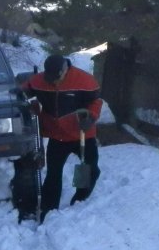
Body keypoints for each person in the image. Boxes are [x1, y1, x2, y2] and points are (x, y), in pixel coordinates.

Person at [23, 54, 103, 223]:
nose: (54, 83)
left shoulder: (85, 81)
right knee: (53, 174)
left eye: (56, 78)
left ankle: (79, 199)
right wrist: (28, 105)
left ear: (65, 70)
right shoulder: (39, 81)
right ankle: (48, 209)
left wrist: (91, 116)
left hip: (82, 133)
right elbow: (23, 92)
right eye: (49, 78)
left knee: (88, 168)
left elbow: (96, 101)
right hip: (57, 135)